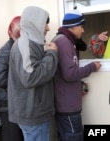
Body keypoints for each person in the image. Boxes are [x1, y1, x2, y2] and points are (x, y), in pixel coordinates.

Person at [7, 6, 58, 141]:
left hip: (34, 112)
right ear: (35, 23)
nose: (48, 28)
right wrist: (52, 54)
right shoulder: (25, 45)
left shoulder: (33, 43)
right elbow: (30, 78)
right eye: (45, 23)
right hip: (32, 114)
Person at [52, 9, 101, 141]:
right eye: (81, 26)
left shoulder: (66, 40)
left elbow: (66, 71)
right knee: (74, 137)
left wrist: (78, 86)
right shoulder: (64, 43)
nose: (83, 30)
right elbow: (70, 74)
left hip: (67, 103)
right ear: (72, 27)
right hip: (67, 106)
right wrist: (92, 67)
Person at [0, 16, 24, 141]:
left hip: (14, 102)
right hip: (8, 104)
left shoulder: (18, 47)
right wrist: (24, 82)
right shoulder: (7, 50)